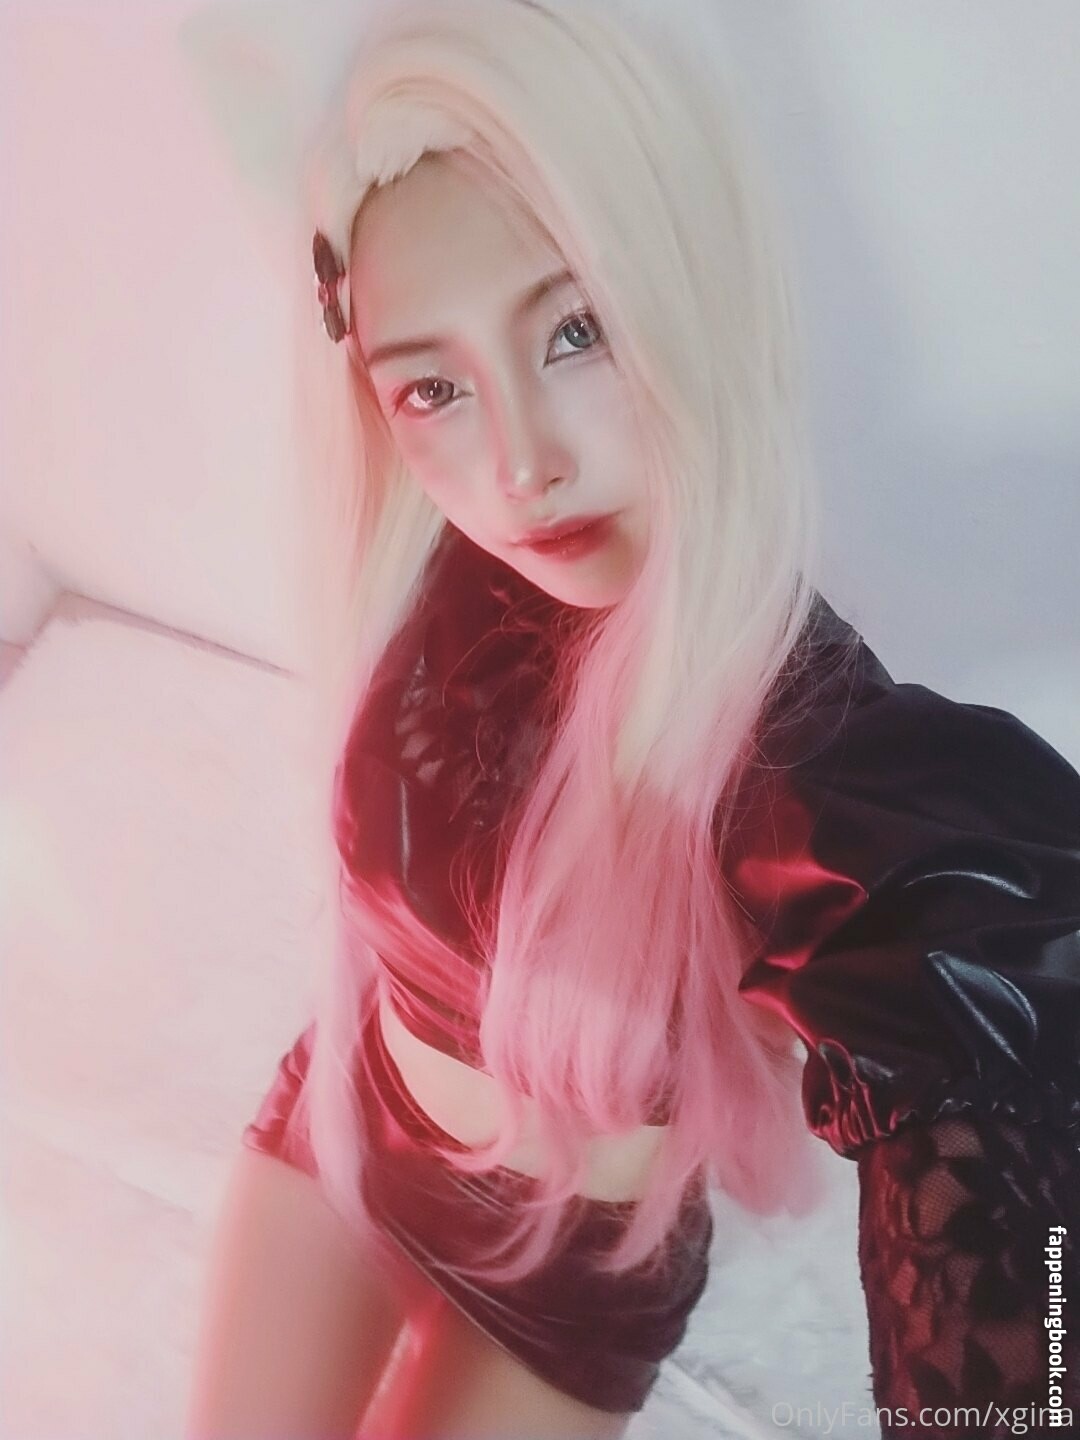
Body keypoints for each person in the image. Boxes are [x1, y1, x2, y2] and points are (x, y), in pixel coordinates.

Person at [184, 2, 1080, 1436]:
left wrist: (1013, 1387)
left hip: (568, 1278)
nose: (519, 466)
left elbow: (991, 1013)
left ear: (686, 290)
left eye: (576, 331)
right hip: (345, 1114)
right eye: (434, 386)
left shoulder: (806, 755)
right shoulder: (425, 560)